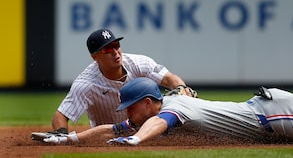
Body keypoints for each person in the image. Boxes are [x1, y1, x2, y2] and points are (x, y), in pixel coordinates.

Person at [33, 49, 293, 145]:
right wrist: (71, 138)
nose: (126, 114)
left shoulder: (173, 108)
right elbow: (106, 127)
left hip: (272, 115)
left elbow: (156, 124)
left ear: (149, 101)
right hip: (266, 112)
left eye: (130, 106)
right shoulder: (148, 111)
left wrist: (135, 139)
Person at [48, 28, 195, 134]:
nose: (115, 52)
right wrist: (61, 134)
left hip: (149, 129)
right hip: (111, 135)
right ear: (95, 57)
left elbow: (170, 78)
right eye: (107, 49)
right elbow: (60, 116)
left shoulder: (138, 63)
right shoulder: (86, 84)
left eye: (116, 45)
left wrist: (182, 87)